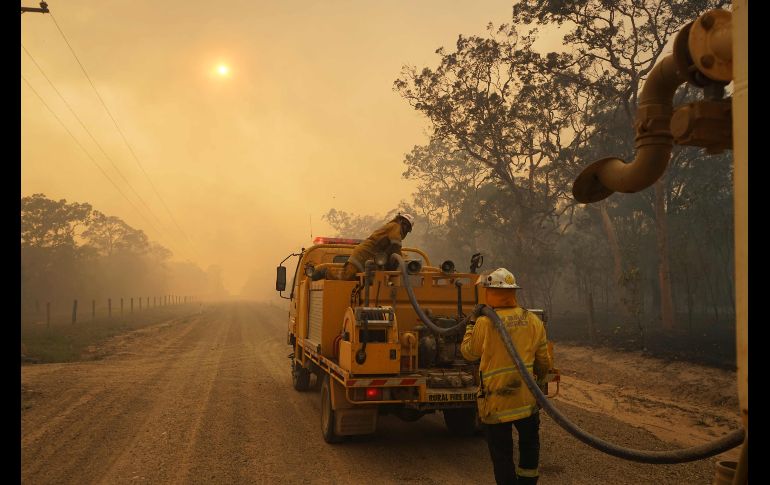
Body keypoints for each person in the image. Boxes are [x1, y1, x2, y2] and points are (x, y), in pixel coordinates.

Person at [460, 268, 552, 485]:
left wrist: (471, 323)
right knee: (529, 446)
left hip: (496, 401)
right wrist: (537, 383)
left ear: (490, 292)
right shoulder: (531, 320)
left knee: (502, 454)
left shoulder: (484, 323)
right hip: (526, 399)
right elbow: (543, 362)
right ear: (513, 292)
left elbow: (468, 352)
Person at [316, 213, 414, 281]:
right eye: (404, 224)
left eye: (407, 226)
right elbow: (396, 245)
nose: (404, 227)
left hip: (370, 258)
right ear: (400, 221)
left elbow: (393, 250)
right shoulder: (395, 226)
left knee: (361, 279)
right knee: (347, 275)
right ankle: (325, 272)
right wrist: (398, 261)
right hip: (362, 254)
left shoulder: (394, 228)